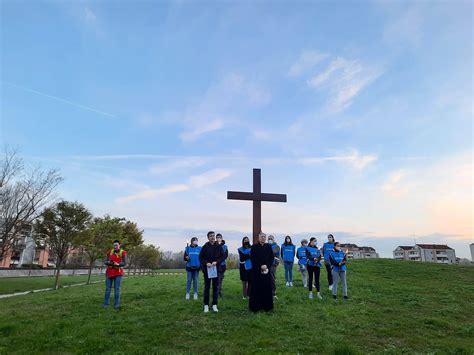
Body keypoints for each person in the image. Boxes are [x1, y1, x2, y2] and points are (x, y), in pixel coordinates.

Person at [199, 231, 225, 313]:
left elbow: (223, 256)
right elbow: (200, 257)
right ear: (208, 237)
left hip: (216, 270)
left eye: (213, 236)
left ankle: (214, 304)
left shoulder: (219, 246)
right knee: (207, 287)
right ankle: (206, 305)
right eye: (211, 236)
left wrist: (216, 262)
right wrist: (206, 263)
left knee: (215, 288)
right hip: (207, 270)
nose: (213, 237)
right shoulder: (205, 246)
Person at [249, 232, 274, 312]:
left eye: (264, 237)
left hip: (266, 271)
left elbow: (271, 258)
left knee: (266, 288)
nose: (263, 238)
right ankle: (256, 307)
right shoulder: (254, 247)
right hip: (256, 271)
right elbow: (253, 258)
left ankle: (267, 306)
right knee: (256, 289)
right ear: (258, 238)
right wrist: (260, 266)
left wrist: (266, 265)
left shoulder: (269, 247)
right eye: (261, 237)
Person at [103, 239, 128, 309]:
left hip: (118, 273)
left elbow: (125, 263)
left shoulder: (123, 252)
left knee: (117, 288)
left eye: (116, 245)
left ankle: (116, 304)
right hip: (109, 272)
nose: (115, 246)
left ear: (119, 245)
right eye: (114, 245)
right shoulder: (110, 252)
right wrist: (108, 262)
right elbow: (105, 261)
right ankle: (105, 304)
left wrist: (118, 264)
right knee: (108, 289)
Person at [216, 233, 228, 298]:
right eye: (217, 237)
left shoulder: (225, 247)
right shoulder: (214, 245)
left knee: (221, 279)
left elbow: (225, 255)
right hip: (216, 265)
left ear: (222, 238)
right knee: (217, 279)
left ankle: (219, 291)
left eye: (220, 237)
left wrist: (220, 258)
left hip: (223, 265)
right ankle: (217, 292)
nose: (219, 238)